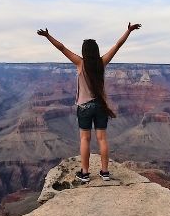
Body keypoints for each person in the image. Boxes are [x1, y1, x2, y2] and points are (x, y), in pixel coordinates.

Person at [37, 22, 141, 182]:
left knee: (85, 139)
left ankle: (85, 173)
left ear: (84, 51)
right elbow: (117, 45)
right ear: (97, 50)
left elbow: (62, 48)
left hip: (84, 107)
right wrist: (128, 31)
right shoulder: (102, 62)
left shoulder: (80, 63)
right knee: (102, 139)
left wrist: (48, 36)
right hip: (100, 106)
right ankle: (105, 172)